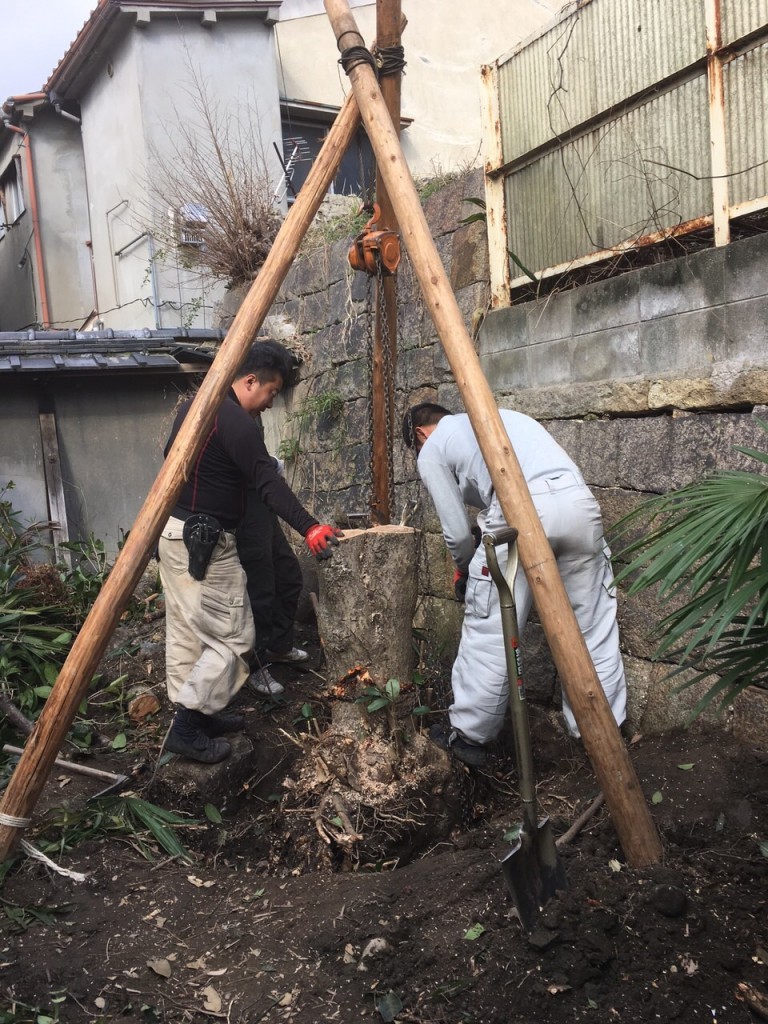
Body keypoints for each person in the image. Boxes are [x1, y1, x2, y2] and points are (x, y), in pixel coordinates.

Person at [402, 402, 627, 767]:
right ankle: (603, 734)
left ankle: (470, 737)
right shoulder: (506, 416)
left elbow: (458, 534)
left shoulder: (432, 448)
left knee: (492, 628)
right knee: (593, 625)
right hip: (579, 506)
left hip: (519, 512)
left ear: (419, 434)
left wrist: (463, 570)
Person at [158, 342, 341, 763]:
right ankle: (187, 725)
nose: (272, 401)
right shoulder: (233, 420)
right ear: (250, 380)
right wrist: (309, 526)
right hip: (205, 540)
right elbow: (265, 480)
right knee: (235, 636)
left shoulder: (195, 408)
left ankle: (198, 716)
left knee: (190, 634)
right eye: (272, 391)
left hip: (175, 534)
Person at [237, 452, 308, 701]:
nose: (269, 408)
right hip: (243, 511)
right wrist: (272, 464)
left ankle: (279, 646)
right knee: (260, 591)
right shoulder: (223, 416)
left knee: (289, 575)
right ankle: (255, 666)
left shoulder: (249, 421)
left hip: (263, 506)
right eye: (265, 406)